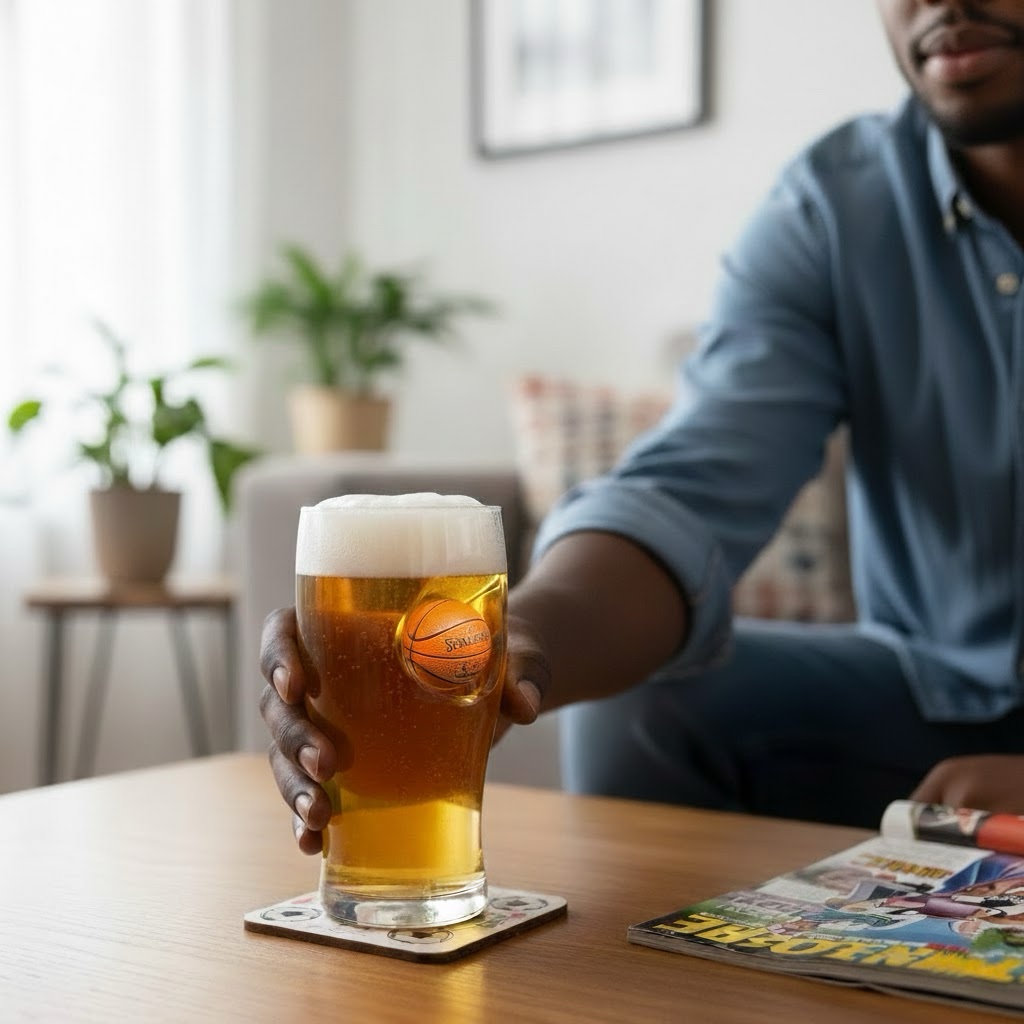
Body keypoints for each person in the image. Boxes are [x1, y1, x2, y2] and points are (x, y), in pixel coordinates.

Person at [260, 0, 1024, 852]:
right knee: (640, 699)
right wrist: (520, 640)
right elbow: (691, 487)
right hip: (932, 701)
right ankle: (651, 988)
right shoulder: (837, 205)